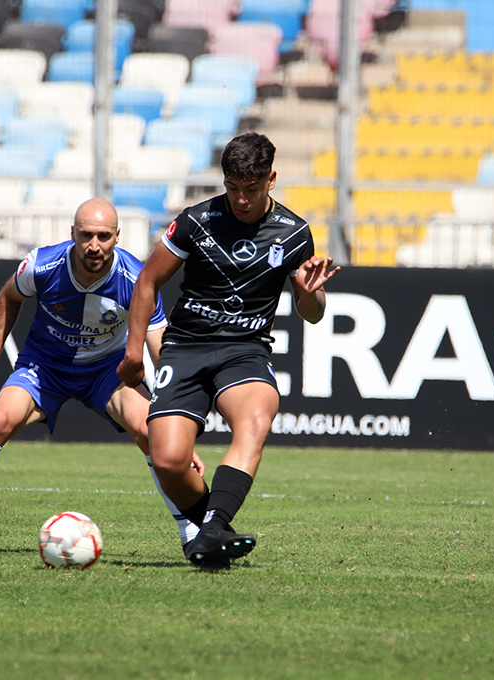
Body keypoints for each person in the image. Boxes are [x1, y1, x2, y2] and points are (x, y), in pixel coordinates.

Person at [0, 198, 204, 555]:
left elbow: (162, 350)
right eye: (86, 236)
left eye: (103, 236)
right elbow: (8, 296)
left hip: (106, 371)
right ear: (73, 234)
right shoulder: (42, 264)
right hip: (45, 367)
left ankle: (192, 535)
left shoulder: (137, 278)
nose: (94, 245)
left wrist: (175, 423)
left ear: (117, 237)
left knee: (152, 432)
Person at [117, 132, 341, 569]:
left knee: (257, 417)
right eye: (233, 188)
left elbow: (311, 313)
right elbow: (147, 280)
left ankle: (216, 525)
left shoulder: (295, 234)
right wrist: (132, 350)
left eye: (251, 190)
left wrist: (312, 294)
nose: (241, 199)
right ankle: (211, 533)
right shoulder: (196, 221)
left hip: (245, 350)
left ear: (271, 179)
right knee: (168, 459)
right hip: (185, 346)